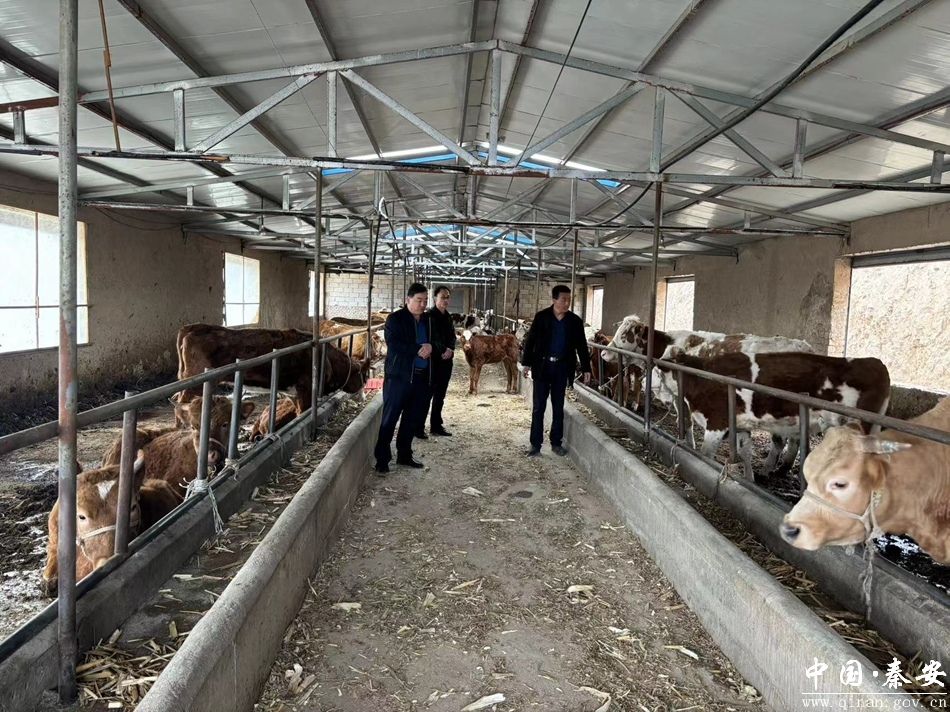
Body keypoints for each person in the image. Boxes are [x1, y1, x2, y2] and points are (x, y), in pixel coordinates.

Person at [521, 285, 592, 457]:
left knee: (558, 407)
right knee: (539, 407)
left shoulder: (575, 321)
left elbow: (582, 346)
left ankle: (556, 443)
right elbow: (530, 341)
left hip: (562, 368)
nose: (567, 303)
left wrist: (586, 368)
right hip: (542, 367)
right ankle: (535, 444)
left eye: (569, 300)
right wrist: (526, 364)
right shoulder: (541, 317)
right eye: (563, 299)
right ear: (554, 299)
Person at [373, 283, 433, 474]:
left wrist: (432, 347)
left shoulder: (427, 320)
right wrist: (417, 349)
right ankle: (382, 459)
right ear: (408, 300)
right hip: (398, 377)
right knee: (390, 419)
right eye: (419, 300)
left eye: (425, 300)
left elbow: (436, 340)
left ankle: (404, 455)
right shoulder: (395, 319)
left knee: (410, 419)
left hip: (420, 377)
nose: (422, 304)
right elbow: (394, 344)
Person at [417, 285, 456, 438]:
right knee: (426, 395)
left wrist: (451, 348)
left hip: (446, 361)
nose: (445, 300)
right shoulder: (428, 317)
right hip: (432, 362)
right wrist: (443, 349)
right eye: (442, 297)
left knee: (440, 395)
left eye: (447, 297)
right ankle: (419, 427)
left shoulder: (448, 317)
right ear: (435, 298)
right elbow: (431, 338)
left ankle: (436, 425)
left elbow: (452, 336)